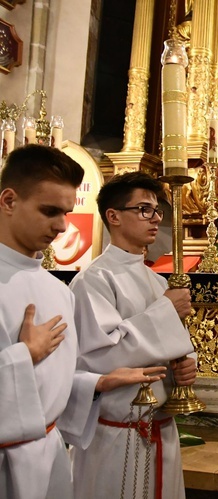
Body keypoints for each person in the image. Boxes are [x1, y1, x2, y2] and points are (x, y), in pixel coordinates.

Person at [0, 145, 165, 499]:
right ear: (9, 200)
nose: (61, 226)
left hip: (49, 457)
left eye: (65, 212)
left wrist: (98, 383)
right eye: (49, 211)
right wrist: (22, 356)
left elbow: (54, 386)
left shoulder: (56, 290)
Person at [68, 172, 197, 499]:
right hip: (116, 435)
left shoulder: (158, 282)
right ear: (113, 216)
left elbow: (177, 342)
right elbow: (103, 356)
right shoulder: (93, 280)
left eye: (157, 210)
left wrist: (187, 365)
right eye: (143, 209)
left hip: (162, 427)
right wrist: (167, 311)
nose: (155, 219)